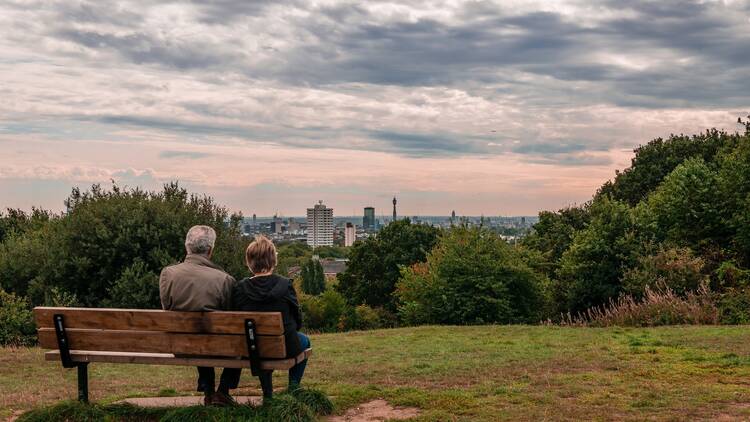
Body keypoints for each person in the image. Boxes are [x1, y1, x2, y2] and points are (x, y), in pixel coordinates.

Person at [159, 225, 240, 406]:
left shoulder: (168, 274)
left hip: (181, 345)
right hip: (219, 347)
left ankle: (208, 390)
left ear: (187, 247)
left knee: (196, 335)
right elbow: (230, 317)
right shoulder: (225, 280)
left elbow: (167, 308)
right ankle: (223, 391)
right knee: (236, 339)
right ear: (210, 250)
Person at [232, 235, 310, 393]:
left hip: (250, 349)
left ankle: (268, 394)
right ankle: (294, 389)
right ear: (274, 260)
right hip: (285, 346)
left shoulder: (240, 288)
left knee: (259, 341)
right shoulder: (285, 285)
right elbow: (297, 318)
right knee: (305, 341)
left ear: (249, 262)